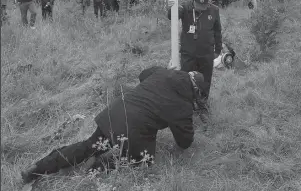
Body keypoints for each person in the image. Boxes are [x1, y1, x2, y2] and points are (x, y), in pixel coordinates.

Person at [20, 66, 208, 185]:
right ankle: (96, 170)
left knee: (88, 146)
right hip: (134, 128)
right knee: (144, 162)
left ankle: (36, 168)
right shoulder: (183, 106)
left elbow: (143, 75)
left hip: (116, 111)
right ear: (196, 91)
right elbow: (184, 141)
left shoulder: (163, 72)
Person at [167, 0, 222, 104]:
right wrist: (171, 7)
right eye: (199, 5)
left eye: (204, 5)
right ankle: (187, 104)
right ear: (193, 2)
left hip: (206, 52)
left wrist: (217, 50)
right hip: (188, 52)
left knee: (205, 79)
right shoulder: (184, 7)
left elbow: (217, 31)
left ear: (208, 3)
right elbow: (172, 17)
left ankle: (202, 104)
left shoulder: (214, 10)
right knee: (185, 78)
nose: (202, 8)